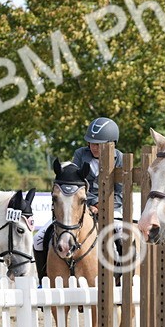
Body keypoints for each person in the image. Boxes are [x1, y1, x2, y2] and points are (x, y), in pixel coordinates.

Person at [33, 116, 125, 280]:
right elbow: (74, 183)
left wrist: (101, 205)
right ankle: (43, 279)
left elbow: (119, 193)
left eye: (98, 144)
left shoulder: (120, 158)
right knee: (38, 239)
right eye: (91, 143)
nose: (94, 147)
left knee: (121, 236)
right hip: (81, 206)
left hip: (112, 207)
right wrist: (90, 204)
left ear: (111, 144)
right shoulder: (81, 154)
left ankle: (121, 279)